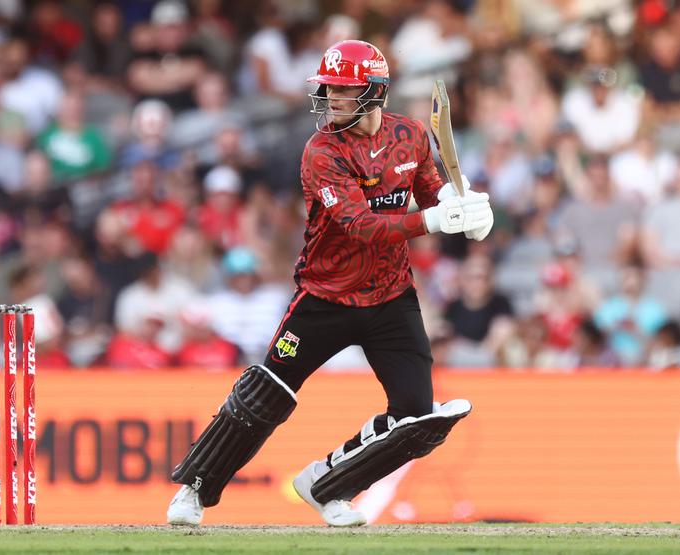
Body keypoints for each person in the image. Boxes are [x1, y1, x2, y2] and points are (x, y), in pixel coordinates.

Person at [166, 40, 493, 527]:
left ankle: (326, 486)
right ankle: (195, 490)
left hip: (390, 297)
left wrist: (462, 205)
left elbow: (429, 189)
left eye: (342, 89)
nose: (329, 97)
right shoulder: (322, 151)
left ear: (373, 91)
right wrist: (434, 220)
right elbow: (362, 226)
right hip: (325, 296)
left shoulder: (410, 135)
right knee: (267, 393)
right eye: (329, 87)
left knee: (417, 417)